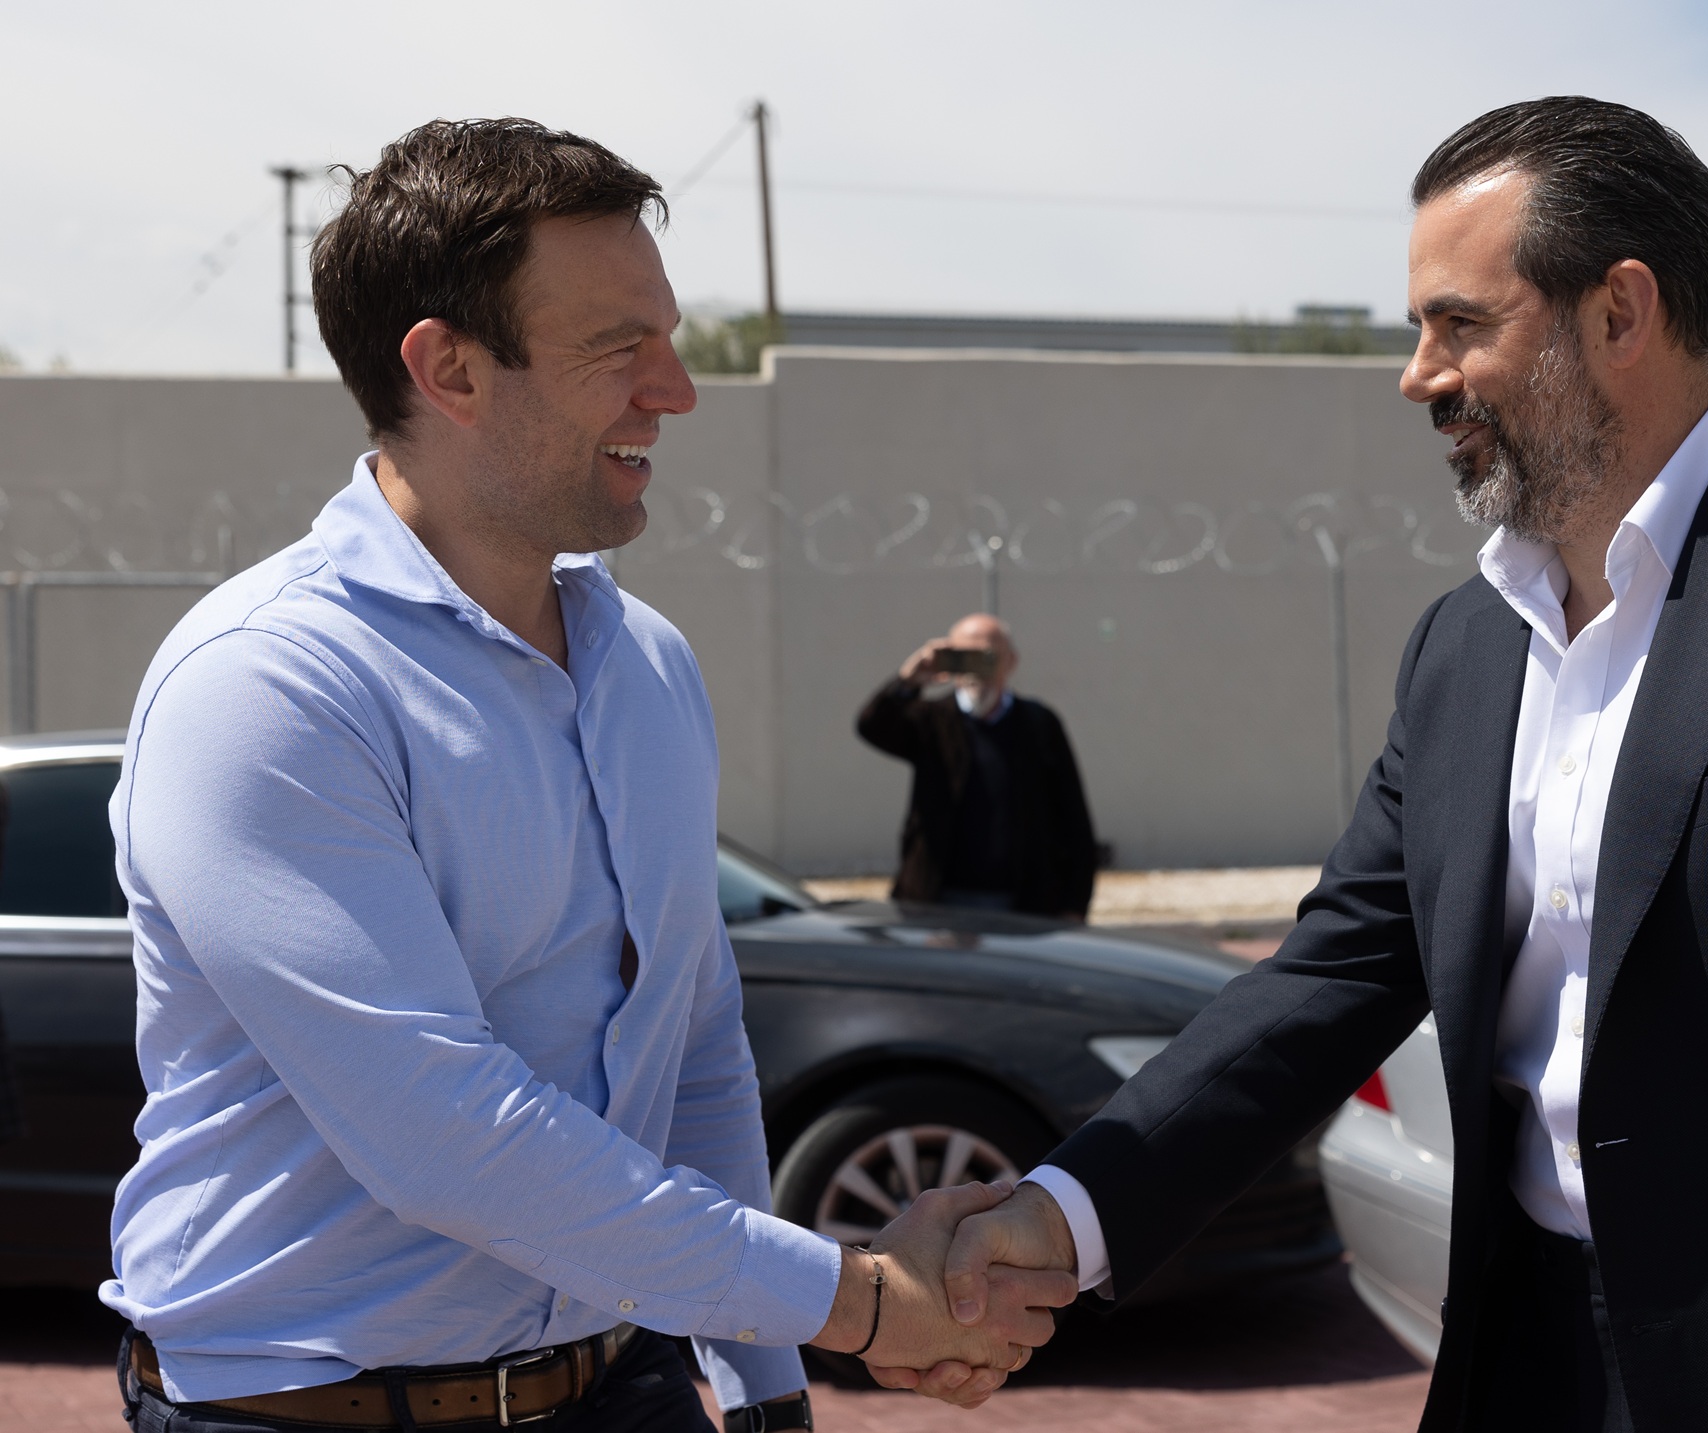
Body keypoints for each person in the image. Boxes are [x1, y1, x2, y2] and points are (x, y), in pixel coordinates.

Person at [916, 97, 1708, 1430]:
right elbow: (1333, 973)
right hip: (1524, 1368)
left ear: (1617, 312)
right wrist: (1062, 1214)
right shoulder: (1462, 646)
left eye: (1459, 323)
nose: (1417, 375)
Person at [102, 118, 1069, 1433]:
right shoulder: (268, 683)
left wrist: (764, 1384)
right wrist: (859, 1302)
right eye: (619, 348)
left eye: (665, 337)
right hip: (304, 1413)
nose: (673, 390)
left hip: (624, 1384)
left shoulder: (645, 661)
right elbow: (444, 1135)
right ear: (448, 368)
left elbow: (695, 1039)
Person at [857, 614, 1099, 920]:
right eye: (964, 658)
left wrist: (1074, 905)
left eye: (985, 658)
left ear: (1010, 661)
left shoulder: (1038, 724)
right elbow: (872, 726)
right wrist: (909, 680)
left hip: (1024, 902)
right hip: (939, 900)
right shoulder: (932, 720)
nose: (975, 671)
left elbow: (1073, 819)